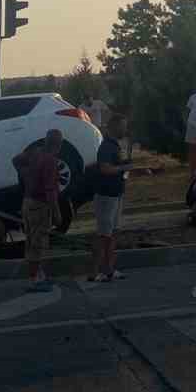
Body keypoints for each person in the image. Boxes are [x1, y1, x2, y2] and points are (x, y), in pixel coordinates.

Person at [16, 128, 62, 292]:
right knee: (38, 243)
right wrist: (57, 213)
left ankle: (39, 276)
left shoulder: (36, 152)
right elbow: (50, 191)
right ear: (59, 144)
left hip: (27, 202)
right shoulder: (51, 160)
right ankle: (35, 280)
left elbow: (16, 160)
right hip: (39, 205)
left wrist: (25, 177)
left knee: (32, 240)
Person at [88, 115, 128, 282]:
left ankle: (109, 269)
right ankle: (95, 271)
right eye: (123, 126)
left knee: (113, 233)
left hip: (116, 194)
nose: (125, 130)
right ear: (115, 127)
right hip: (106, 196)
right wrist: (124, 167)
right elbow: (105, 169)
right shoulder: (106, 146)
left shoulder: (114, 146)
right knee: (103, 234)